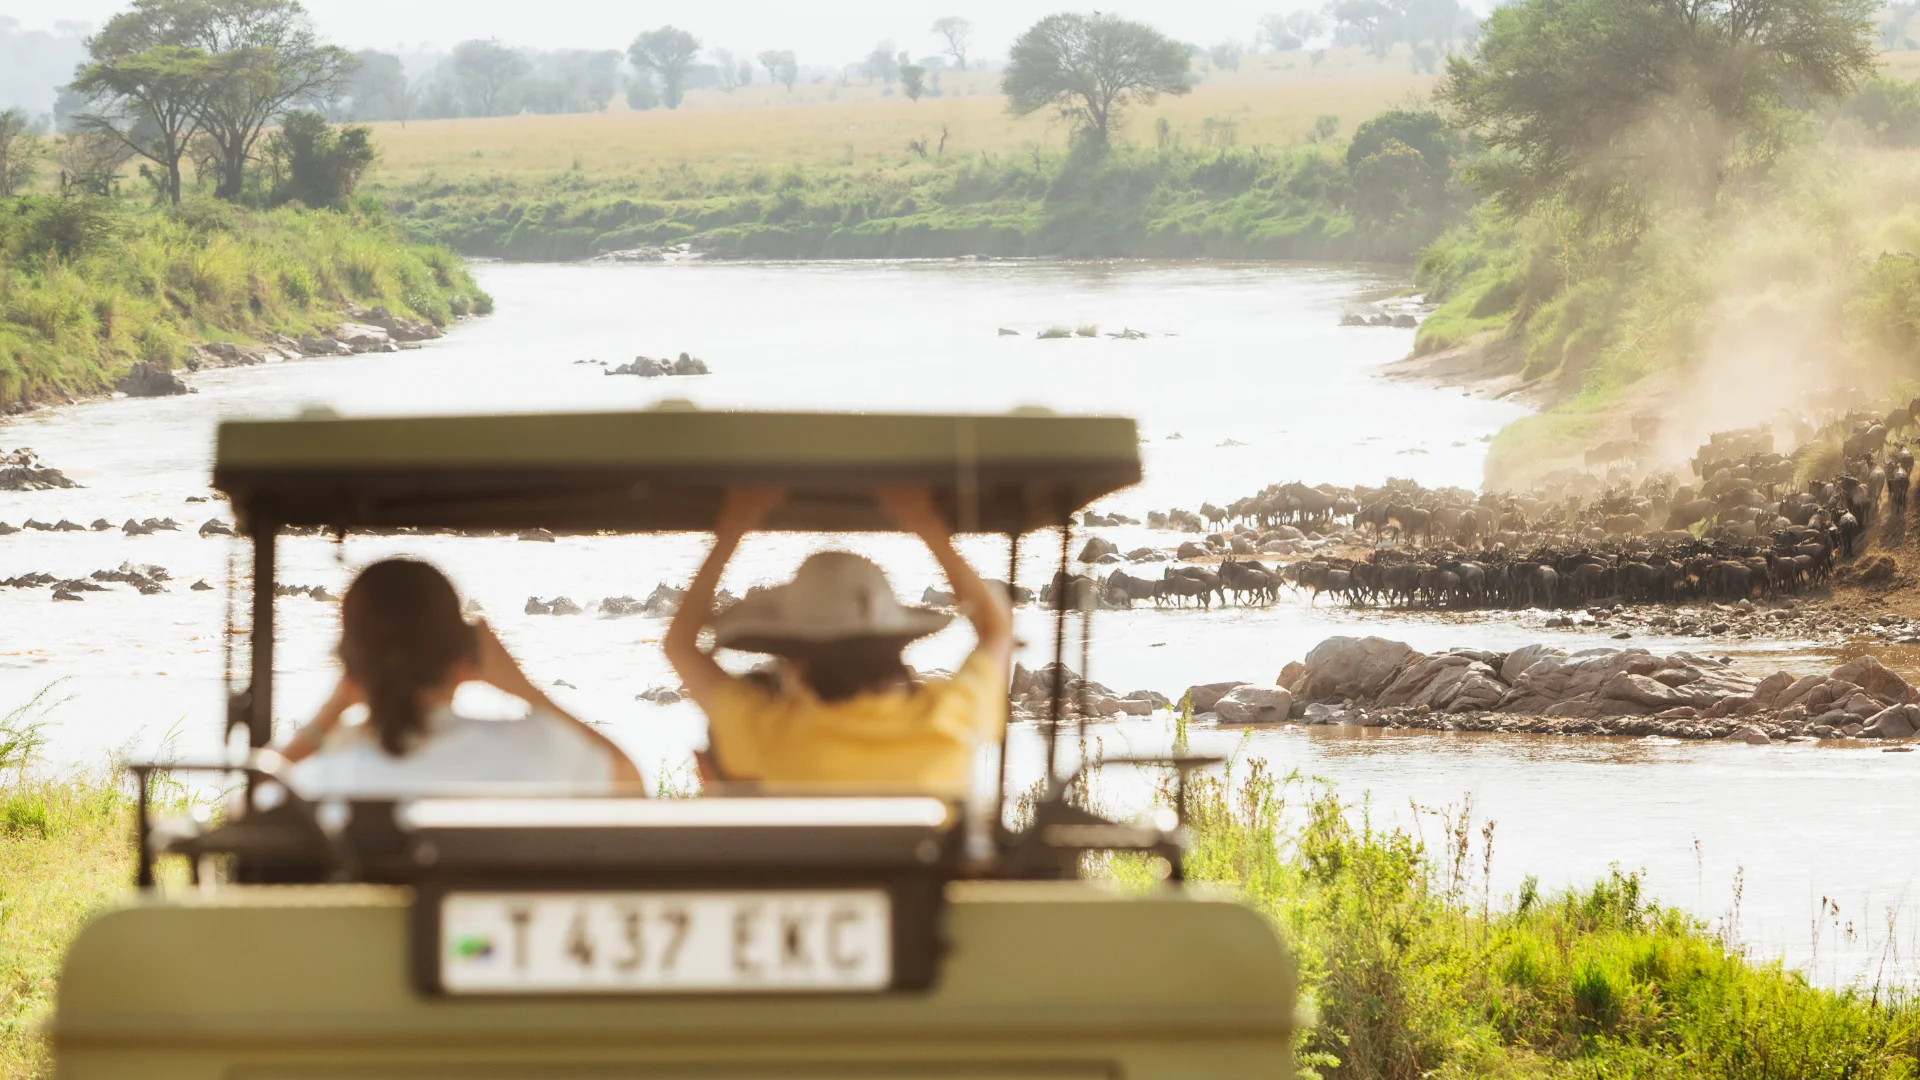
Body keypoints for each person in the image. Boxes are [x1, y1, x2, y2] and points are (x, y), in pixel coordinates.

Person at [664, 485, 1013, 797]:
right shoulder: (951, 716)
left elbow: (679, 646)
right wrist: (924, 521)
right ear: (896, 649)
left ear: (796, 664)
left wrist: (735, 523)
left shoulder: (769, 732)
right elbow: (997, 630)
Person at [277, 558, 640, 797]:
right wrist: (520, 685)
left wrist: (333, 709)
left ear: (350, 671)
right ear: (465, 661)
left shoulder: (318, 781)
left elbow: (248, 804)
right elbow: (631, 783)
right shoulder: (540, 753)